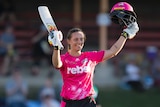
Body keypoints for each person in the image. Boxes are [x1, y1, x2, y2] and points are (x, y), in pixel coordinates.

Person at [47, 2, 139, 107]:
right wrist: (56, 47)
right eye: (76, 39)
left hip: (87, 102)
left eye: (81, 39)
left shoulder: (90, 57)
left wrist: (125, 34)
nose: (79, 42)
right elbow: (56, 64)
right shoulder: (64, 58)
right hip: (69, 103)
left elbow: (113, 51)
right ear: (68, 41)